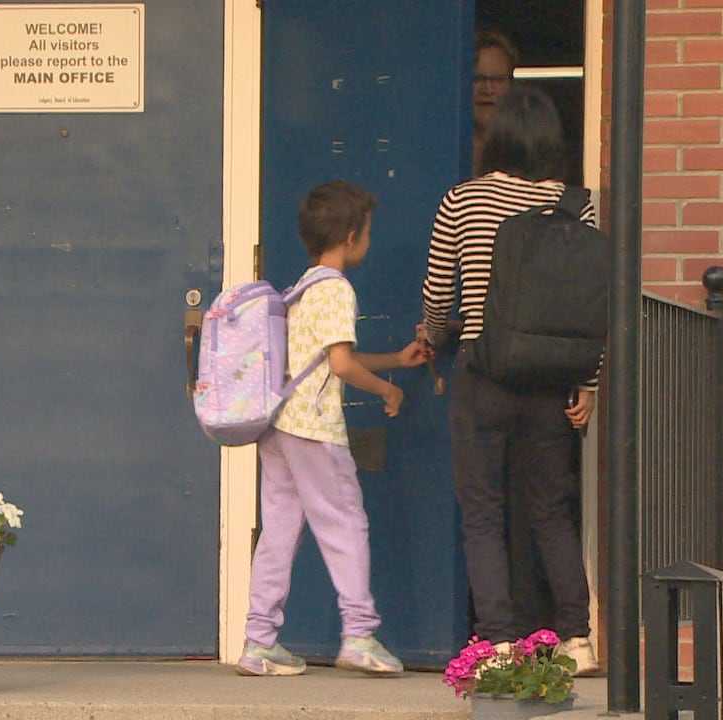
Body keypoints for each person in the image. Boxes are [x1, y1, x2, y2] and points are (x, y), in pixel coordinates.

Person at [420, 85, 601, 675]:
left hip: (484, 370)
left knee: (483, 511)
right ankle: (578, 638)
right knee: (551, 509)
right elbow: (590, 304)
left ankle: (496, 645)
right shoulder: (578, 206)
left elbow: (440, 296)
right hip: (551, 378)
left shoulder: (462, 201)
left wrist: (430, 335)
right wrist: (589, 382)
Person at [236, 180, 432, 677]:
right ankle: (359, 634)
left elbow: (327, 359)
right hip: (315, 429)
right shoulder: (337, 288)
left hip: (279, 428)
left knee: (278, 531)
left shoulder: (302, 287)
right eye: (366, 231)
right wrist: (388, 391)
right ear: (350, 236)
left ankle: (259, 642)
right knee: (345, 523)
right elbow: (341, 366)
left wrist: (394, 362)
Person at [471, 30, 519, 177]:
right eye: (478, 79)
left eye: (498, 80)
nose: (488, 89)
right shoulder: (442, 150)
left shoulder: (527, 152)